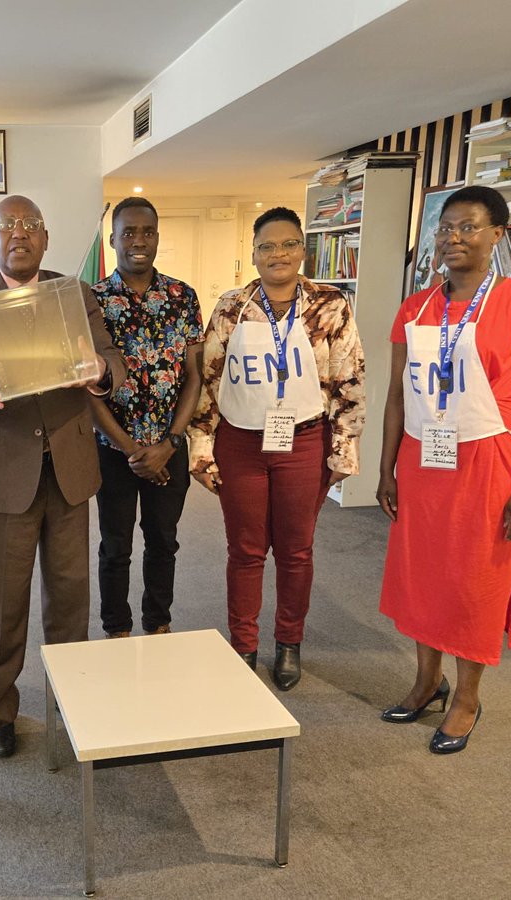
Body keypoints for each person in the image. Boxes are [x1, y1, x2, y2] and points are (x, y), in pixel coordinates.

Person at [0, 195, 125, 757]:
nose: (19, 233)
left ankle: (69, 700)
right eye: (7, 226)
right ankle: (1, 709)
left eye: (30, 225)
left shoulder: (73, 292)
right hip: (2, 471)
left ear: (45, 238)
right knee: (4, 602)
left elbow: (111, 356)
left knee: (69, 595)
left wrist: (98, 372)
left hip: (68, 468)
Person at [377, 185, 511, 754]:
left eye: (469, 227)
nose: (454, 237)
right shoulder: (418, 307)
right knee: (424, 575)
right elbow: (397, 395)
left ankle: (468, 698)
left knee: (475, 581)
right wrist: (386, 471)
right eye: (446, 227)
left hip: (488, 460)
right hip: (426, 458)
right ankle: (428, 680)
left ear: (497, 234)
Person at [188, 207, 365, 689]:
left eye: (287, 244)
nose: (278, 254)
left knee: (295, 551)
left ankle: (289, 642)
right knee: (244, 551)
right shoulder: (231, 307)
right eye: (267, 246)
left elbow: (350, 377)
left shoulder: (330, 305)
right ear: (254, 254)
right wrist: (201, 448)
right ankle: (243, 645)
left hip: (304, 441)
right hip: (240, 442)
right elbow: (207, 381)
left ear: (302, 249)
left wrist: (342, 446)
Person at [90, 197, 203, 638]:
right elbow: (86, 389)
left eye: (148, 232)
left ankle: (158, 624)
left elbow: (194, 376)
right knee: (115, 547)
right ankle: (116, 629)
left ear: (157, 237)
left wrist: (169, 444)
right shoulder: (94, 300)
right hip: (114, 450)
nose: (139, 240)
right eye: (130, 232)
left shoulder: (183, 297)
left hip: (169, 447)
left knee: (163, 544)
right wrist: (133, 450)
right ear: (113, 239)